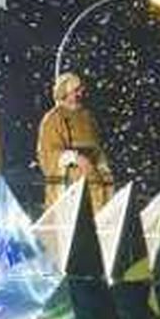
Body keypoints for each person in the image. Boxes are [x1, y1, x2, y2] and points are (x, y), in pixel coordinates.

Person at [36, 72, 111, 213]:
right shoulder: (53, 118)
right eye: (75, 90)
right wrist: (75, 158)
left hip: (93, 180)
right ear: (64, 92)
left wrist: (103, 168)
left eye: (81, 90)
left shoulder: (87, 117)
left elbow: (96, 148)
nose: (80, 94)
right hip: (69, 182)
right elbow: (48, 152)